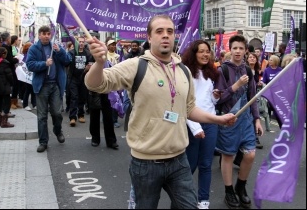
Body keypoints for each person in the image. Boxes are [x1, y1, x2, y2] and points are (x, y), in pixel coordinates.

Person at [84, 14, 236, 209]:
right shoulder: (136, 65)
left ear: (175, 37)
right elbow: (96, 84)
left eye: (170, 31)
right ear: (149, 37)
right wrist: (98, 63)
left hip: (179, 160)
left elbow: (189, 108)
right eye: (159, 31)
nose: (165, 35)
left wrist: (218, 119)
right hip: (146, 163)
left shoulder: (184, 70)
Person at [215, 34, 263, 209]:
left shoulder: (248, 70)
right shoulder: (222, 70)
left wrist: (257, 119)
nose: (238, 51)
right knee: (228, 156)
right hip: (229, 119)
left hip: (246, 120)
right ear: (230, 49)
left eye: (241, 48)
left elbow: (253, 97)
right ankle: (229, 191)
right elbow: (218, 99)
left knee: (250, 154)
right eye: (234, 48)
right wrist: (235, 86)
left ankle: (240, 186)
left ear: (245, 51)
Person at [182, 40, 221, 209]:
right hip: (192, 125)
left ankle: (203, 201)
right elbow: (185, 103)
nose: (205, 55)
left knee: (206, 165)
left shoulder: (211, 72)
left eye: (208, 52)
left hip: (210, 123)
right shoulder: (185, 73)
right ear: (193, 53)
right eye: (201, 51)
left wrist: (215, 97)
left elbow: (209, 102)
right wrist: (195, 128)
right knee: (190, 165)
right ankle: (183, 198)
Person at [26, 26, 72, 153]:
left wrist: (60, 52)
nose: (46, 36)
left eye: (48, 34)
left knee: (57, 113)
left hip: (55, 85)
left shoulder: (55, 47)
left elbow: (67, 61)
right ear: (39, 35)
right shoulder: (34, 48)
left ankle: (58, 131)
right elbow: (30, 65)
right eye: (43, 34)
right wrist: (44, 64)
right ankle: (43, 142)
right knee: (42, 116)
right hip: (41, 86)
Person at [67, 36, 93, 126]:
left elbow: (91, 63)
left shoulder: (88, 53)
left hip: (83, 79)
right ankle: (73, 117)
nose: (81, 43)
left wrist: (88, 68)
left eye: (83, 42)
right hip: (73, 78)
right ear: (76, 43)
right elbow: (67, 62)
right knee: (74, 97)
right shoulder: (71, 52)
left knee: (82, 97)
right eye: (79, 42)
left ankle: (81, 115)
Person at [1, 32, 21, 109]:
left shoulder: (8, 47)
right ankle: (11, 103)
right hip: (8, 69)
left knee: (16, 84)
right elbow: (10, 59)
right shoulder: (6, 47)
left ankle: (14, 101)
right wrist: (16, 59)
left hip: (12, 68)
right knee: (12, 85)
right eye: (9, 38)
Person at [262, 55, 282, 128]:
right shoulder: (267, 70)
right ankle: (268, 118)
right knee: (270, 106)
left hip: (278, 92)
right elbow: (264, 81)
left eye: (271, 60)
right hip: (270, 92)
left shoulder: (280, 70)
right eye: (269, 60)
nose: (269, 61)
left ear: (275, 61)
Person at [106, 39, 121, 128]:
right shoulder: (105, 56)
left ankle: (115, 120)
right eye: (111, 45)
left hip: (116, 80)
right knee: (107, 101)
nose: (113, 46)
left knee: (116, 100)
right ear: (108, 46)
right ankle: (107, 119)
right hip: (106, 80)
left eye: (114, 45)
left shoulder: (118, 56)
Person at [21, 42, 36, 111]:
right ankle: (25, 104)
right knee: (28, 90)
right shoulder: (26, 55)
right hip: (28, 74)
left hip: (31, 74)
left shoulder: (28, 54)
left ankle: (34, 104)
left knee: (32, 90)